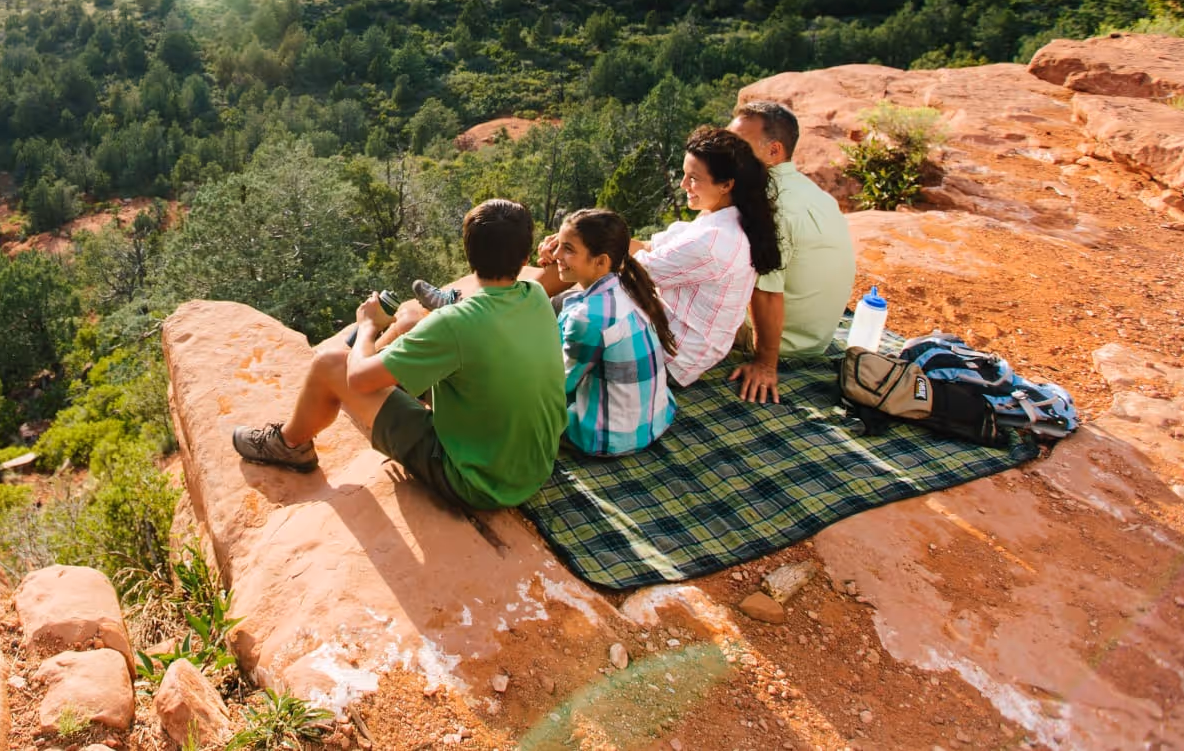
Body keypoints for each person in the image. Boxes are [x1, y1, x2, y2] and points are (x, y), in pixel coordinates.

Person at [232, 199, 567, 511]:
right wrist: (557, 249)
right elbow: (556, 275)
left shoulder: (454, 323)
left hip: (480, 483)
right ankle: (397, 378)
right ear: (524, 260)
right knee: (424, 344)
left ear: (469, 254)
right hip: (535, 466)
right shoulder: (535, 294)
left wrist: (367, 326)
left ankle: (288, 445)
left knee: (329, 362)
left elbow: (358, 378)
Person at [725, 100, 859, 404]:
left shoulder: (769, 207)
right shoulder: (812, 193)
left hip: (786, 344)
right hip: (818, 336)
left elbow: (768, 293)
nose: (727, 154)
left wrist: (765, 364)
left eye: (738, 147)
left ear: (774, 151)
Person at [636, 126, 781, 388]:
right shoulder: (729, 219)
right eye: (684, 175)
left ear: (726, 185)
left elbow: (632, 272)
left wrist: (577, 245)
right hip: (682, 343)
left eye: (693, 178)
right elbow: (648, 246)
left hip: (668, 358)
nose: (683, 185)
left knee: (570, 306)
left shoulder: (713, 241)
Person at [550, 209, 677, 457]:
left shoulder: (588, 317)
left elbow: (560, 384)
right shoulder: (632, 289)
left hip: (607, 437)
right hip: (654, 421)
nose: (556, 255)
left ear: (600, 261)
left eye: (568, 249)